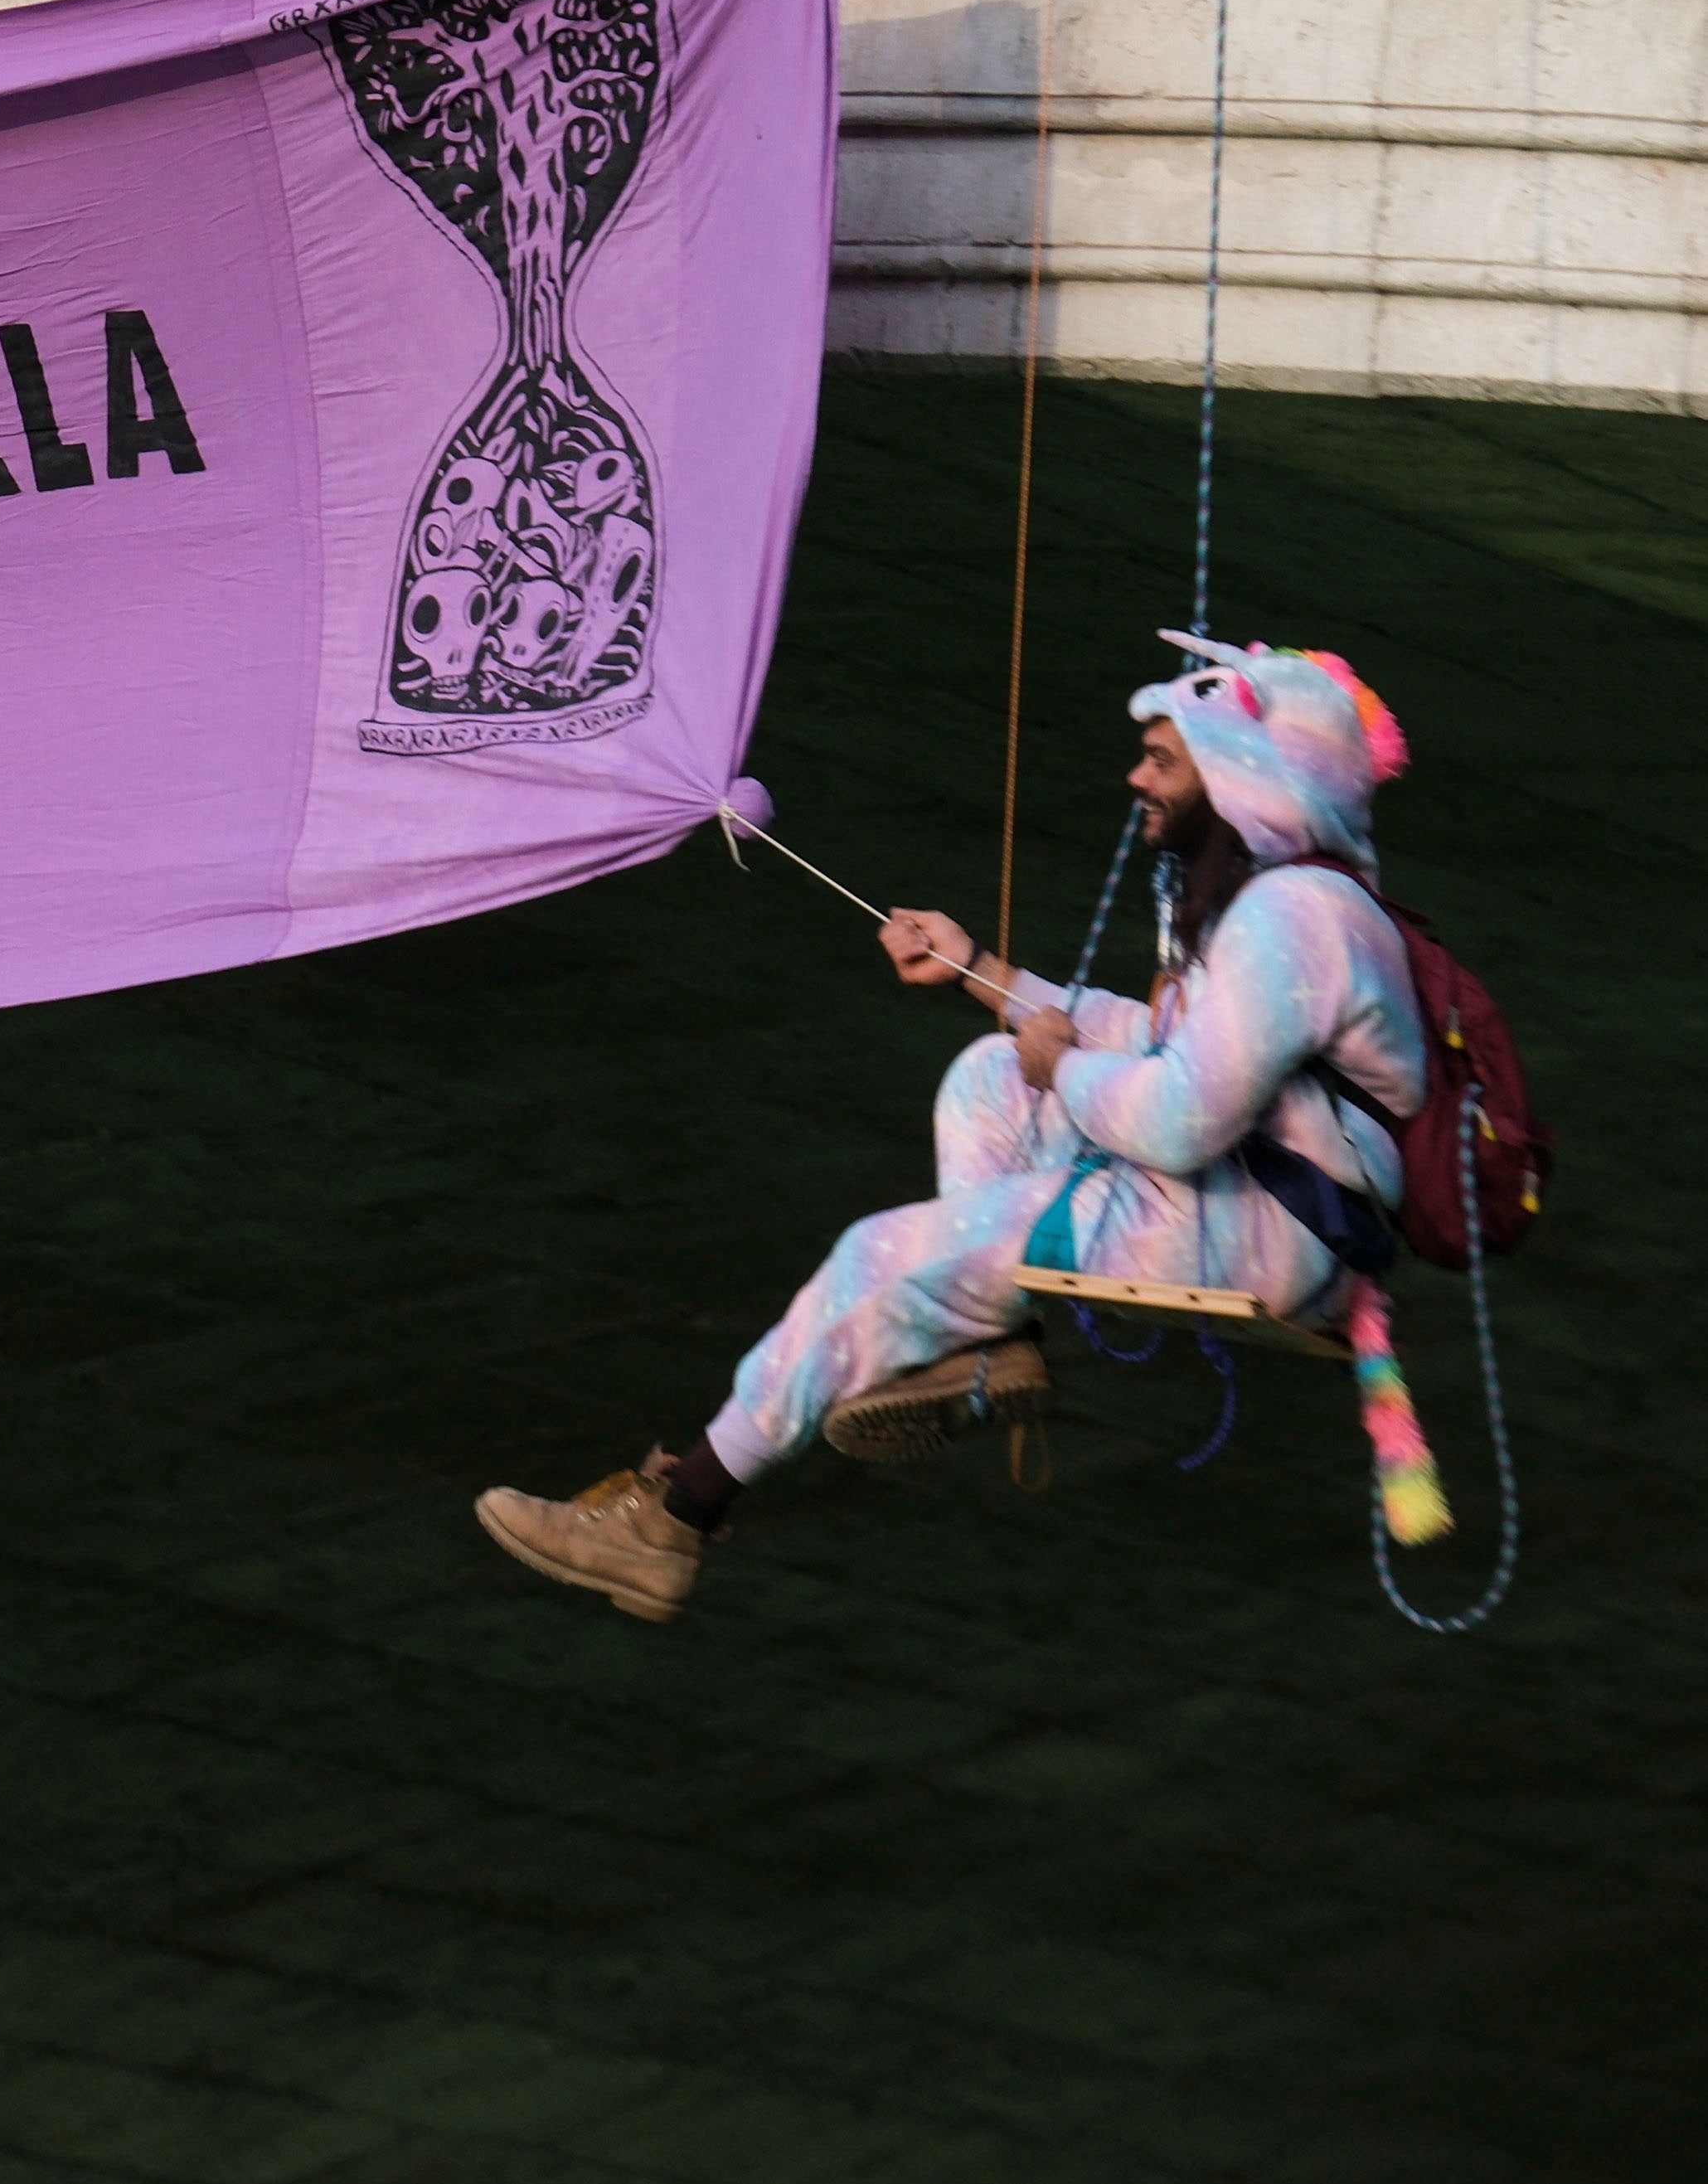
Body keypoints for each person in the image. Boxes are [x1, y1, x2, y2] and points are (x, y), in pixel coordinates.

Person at [477, 633, 1429, 1620]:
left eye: (1162, 758)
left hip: (1266, 1236)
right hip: (1270, 1206)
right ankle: (984, 1343)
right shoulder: (1290, 905)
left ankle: (674, 1516)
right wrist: (987, 973)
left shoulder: (1292, 918)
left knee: (877, 1253)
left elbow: (1181, 1118)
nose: (1134, 776)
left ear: (1241, 774)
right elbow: (1156, 1041)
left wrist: (1062, 1064)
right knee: (992, 1080)